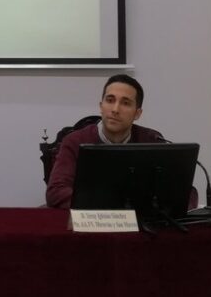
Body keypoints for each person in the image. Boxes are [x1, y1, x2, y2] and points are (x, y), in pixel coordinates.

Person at [45, 74, 165, 209]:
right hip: (91, 222)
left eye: (125, 103)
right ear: (101, 106)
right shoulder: (75, 141)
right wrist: (111, 206)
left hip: (139, 223)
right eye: (110, 100)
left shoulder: (151, 141)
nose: (115, 109)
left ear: (137, 113)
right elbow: (56, 192)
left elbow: (186, 191)